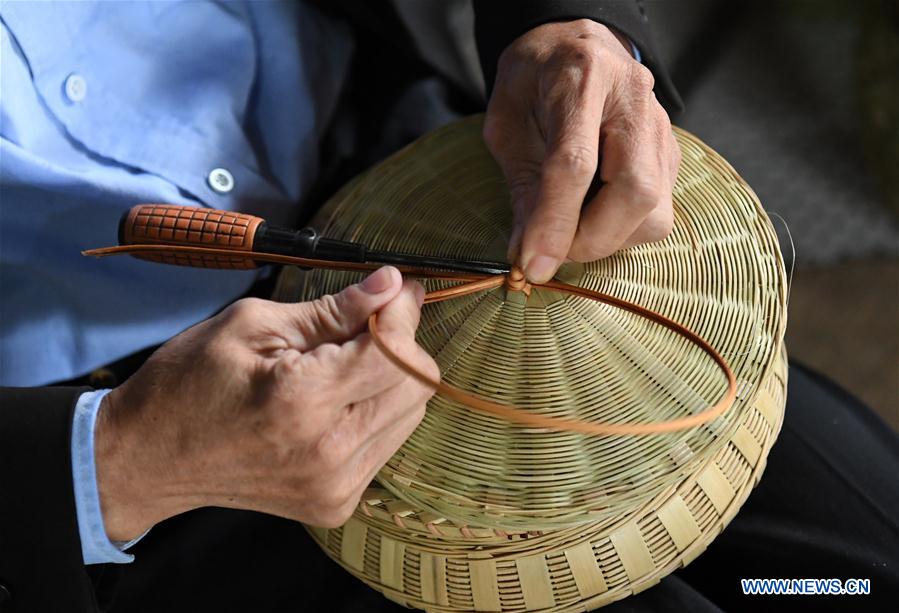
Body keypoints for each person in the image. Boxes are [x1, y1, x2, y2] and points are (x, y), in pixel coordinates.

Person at [0, 2, 896, 612]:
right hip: (121, 453)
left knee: (855, 573)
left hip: (419, 168)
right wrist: (109, 463)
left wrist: (569, 21)